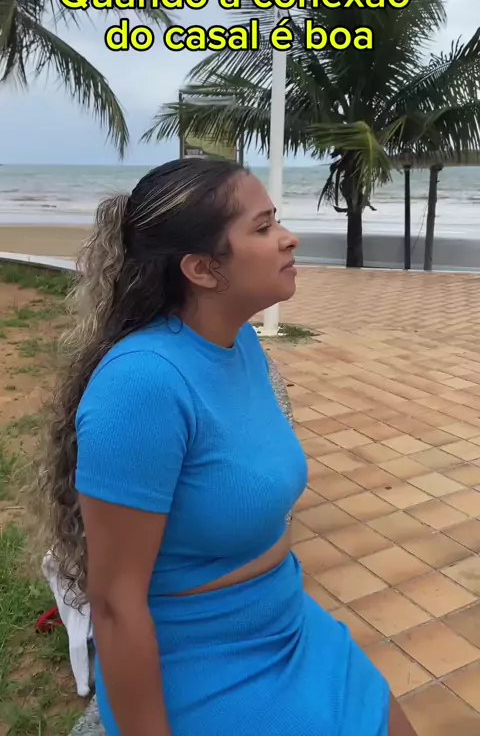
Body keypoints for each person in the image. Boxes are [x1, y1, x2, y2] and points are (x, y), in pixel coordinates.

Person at [41, 158, 418, 736]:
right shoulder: (142, 385)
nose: (289, 238)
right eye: (263, 227)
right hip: (201, 659)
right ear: (202, 268)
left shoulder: (239, 344)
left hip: (287, 621)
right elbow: (115, 604)